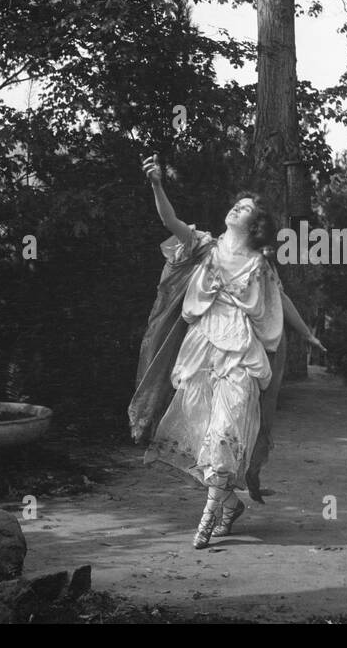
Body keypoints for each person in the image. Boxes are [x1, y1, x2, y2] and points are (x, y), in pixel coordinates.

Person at [128, 155, 325, 549]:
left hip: (241, 353)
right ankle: (229, 505)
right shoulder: (205, 247)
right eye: (237, 204)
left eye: (247, 208)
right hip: (200, 352)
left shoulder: (260, 267)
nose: (237, 207)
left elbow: (281, 303)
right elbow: (171, 223)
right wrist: (156, 184)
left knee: (225, 434)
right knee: (200, 437)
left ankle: (205, 523)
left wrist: (307, 334)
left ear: (256, 226)